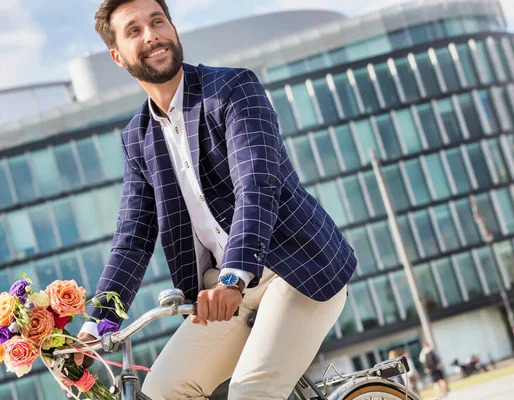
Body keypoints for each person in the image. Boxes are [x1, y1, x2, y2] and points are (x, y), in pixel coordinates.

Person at [74, 0, 357, 399]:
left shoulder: (232, 89)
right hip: (220, 294)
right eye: (134, 30)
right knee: (161, 391)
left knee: (249, 393)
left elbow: (256, 185)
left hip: (295, 267)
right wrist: (94, 325)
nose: (151, 34)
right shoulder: (137, 137)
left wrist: (232, 278)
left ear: (173, 30)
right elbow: (133, 241)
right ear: (118, 56)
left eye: (158, 22)